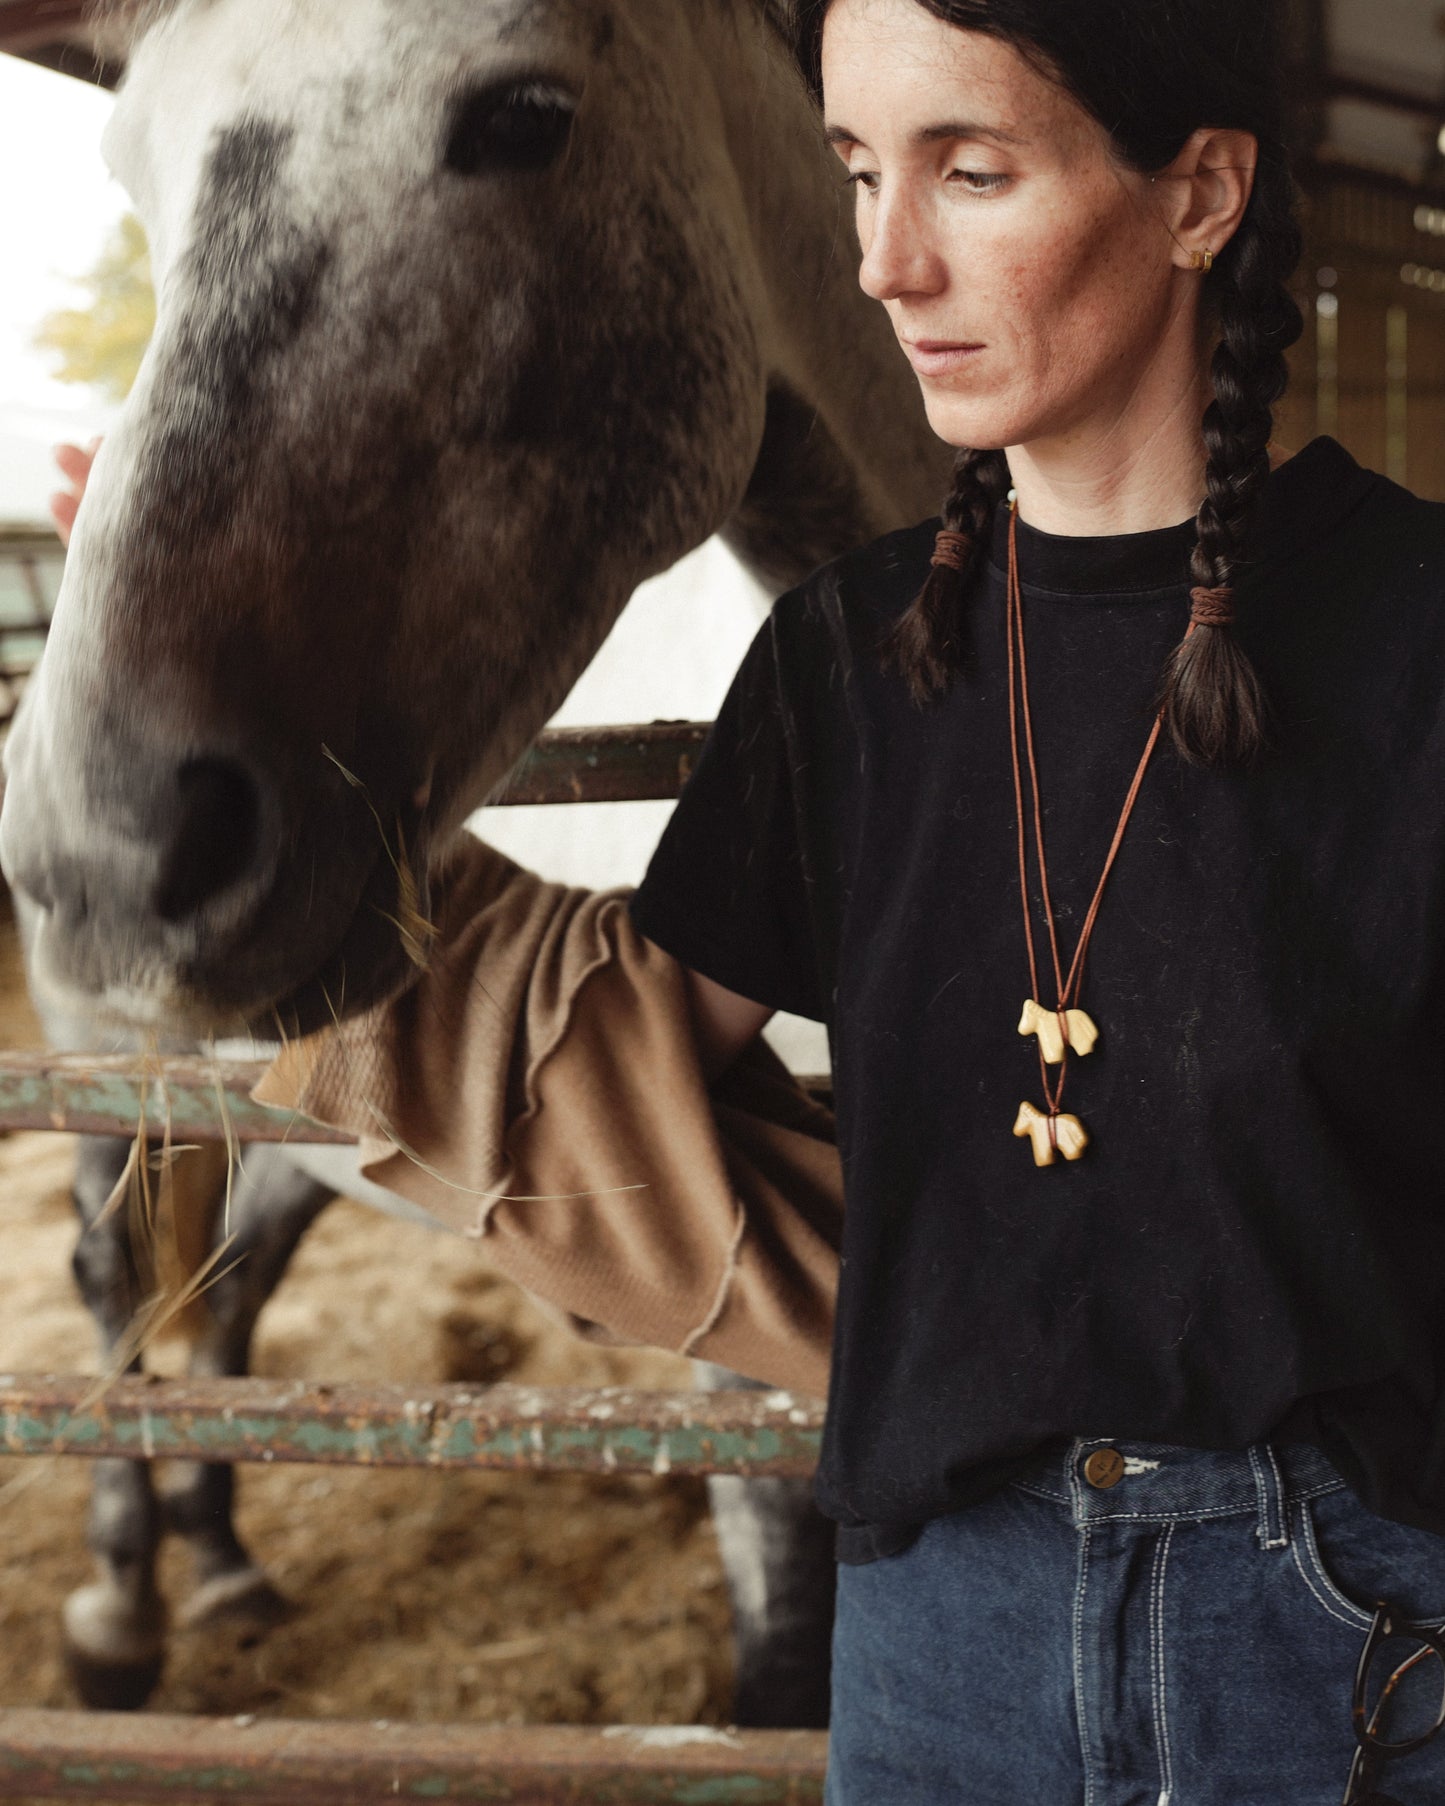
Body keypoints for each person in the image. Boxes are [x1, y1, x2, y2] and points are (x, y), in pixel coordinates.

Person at [48, 0, 1445, 1795]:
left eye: (970, 170)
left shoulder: (1411, 639)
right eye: (858, 173)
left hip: (1344, 1642)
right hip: (947, 1637)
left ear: (1200, 196)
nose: (880, 261)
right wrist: (204, 719)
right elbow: (593, 1075)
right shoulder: (840, 668)